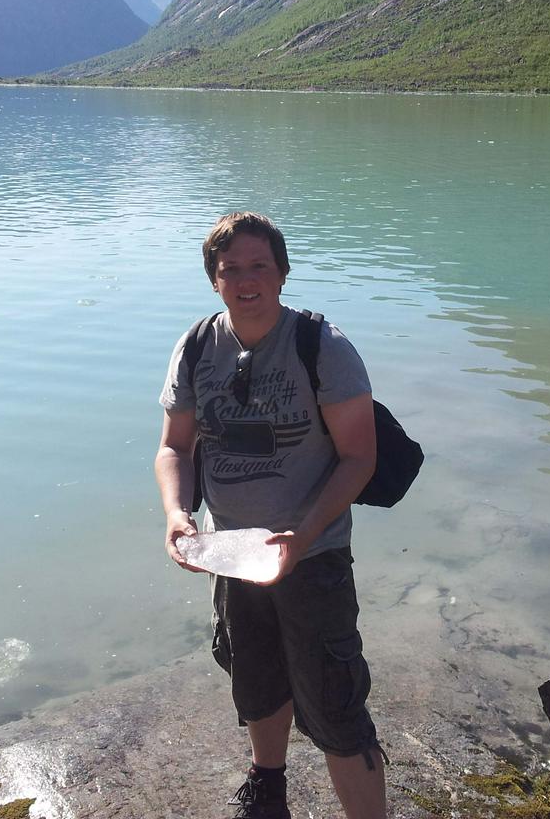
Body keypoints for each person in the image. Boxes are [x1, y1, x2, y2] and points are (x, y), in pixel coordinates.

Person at [155, 212, 386, 819]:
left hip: (314, 554)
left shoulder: (322, 347)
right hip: (234, 557)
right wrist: (179, 516)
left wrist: (304, 534)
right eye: (231, 270)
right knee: (253, 681)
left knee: (335, 704)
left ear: (282, 273)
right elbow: (175, 447)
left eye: (260, 267)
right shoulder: (197, 345)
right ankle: (268, 785)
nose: (246, 280)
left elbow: (360, 457)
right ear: (214, 280)